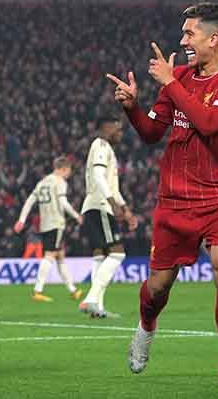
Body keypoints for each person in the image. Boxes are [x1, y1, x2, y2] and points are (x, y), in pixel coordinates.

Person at [107, 2, 218, 389]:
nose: (182, 40)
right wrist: (131, 108)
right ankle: (146, 326)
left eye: (189, 34)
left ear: (214, 38)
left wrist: (170, 82)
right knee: (158, 288)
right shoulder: (179, 80)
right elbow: (152, 133)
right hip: (176, 199)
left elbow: (210, 124)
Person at [79, 118, 138, 318]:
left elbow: (112, 186)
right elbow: (98, 176)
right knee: (117, 254)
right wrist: (112, 203)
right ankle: (91, 299)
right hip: (101, 206)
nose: (120, 132)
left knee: (100, 257)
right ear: (106, 128)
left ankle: (97, 307)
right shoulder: (102, 145)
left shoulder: (106, 149)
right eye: (117, 128)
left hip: (94, 205)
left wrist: (125, 209)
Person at [14, 156, 83, 302]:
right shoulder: (60, 182)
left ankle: (73, 290)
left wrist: (21, 220)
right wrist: (76, 216)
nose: (69, 174)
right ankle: (37, 291)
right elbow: (63, 202)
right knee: (50, 255)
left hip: (45, 225)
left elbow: (29, 202)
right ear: (64, 169)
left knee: (60, 256)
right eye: (69, 170)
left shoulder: (42, 182)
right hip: (56, 223)